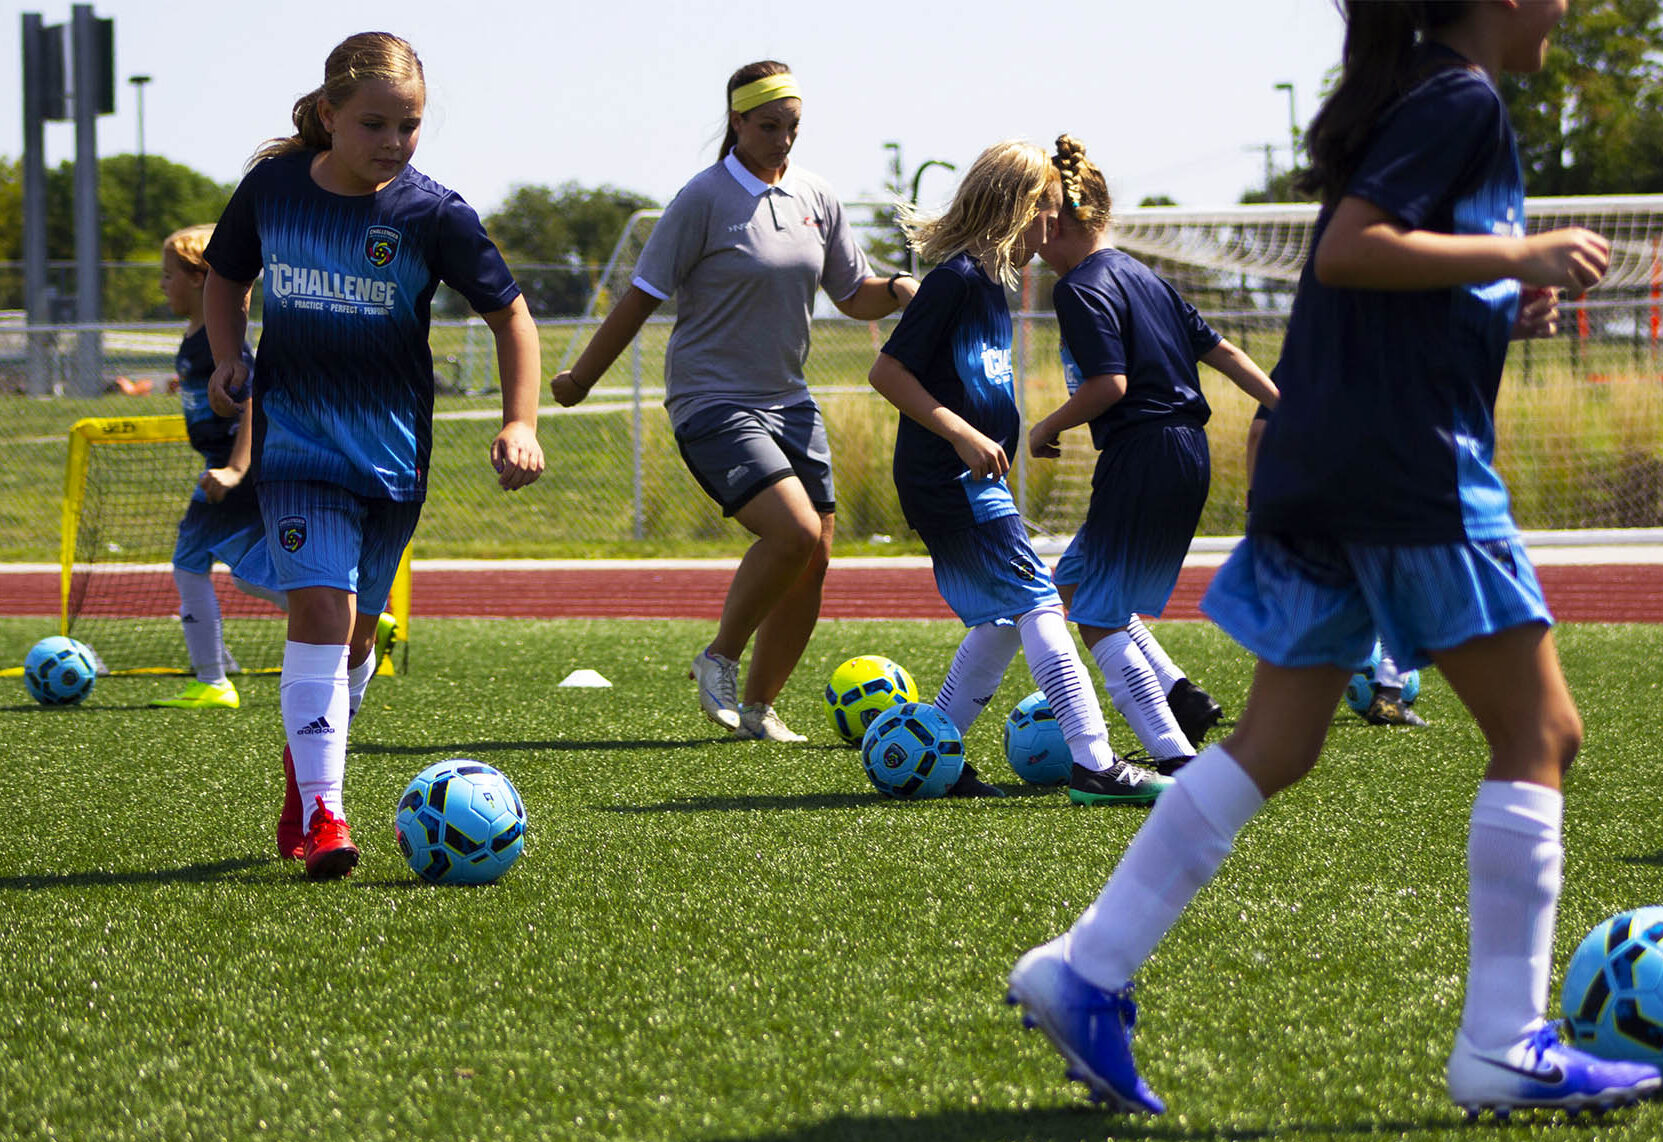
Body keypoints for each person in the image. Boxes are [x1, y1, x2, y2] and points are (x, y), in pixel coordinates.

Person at [1007, 0, 1663, 1116]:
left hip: (1329, 453)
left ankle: (1085, 967)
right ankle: (1504, 1043)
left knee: (1278, 740)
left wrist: (1498, 301)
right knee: (1540, 732)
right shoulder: (1459, 98)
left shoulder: (1409, 88)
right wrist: (1520, 248)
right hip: (1405, 469)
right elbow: (1355, 247)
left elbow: (1376, 287)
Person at [204, 31, 544, 880]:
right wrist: (226, 354)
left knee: (356, 638)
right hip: (297, 447)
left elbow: (511, 314)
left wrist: (520, 421)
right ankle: (326, 813)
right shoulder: (274, 188)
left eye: (410, 125)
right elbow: (223, 275)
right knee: (318, 611)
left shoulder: (433, 212)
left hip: (391, 456)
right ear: (328, 116)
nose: (393, 142)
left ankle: (302, 776)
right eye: (374, 124)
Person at [552, 60, 914, 744]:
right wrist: (581, 379)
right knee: (793, 532)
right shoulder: (703, 198)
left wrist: (895, 288)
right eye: (768, 125)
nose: (782, 139)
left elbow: (851, 292)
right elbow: (641, 298)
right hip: (712, 399)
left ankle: (758, 709)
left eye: (792, 127)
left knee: (816, 559)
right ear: (738, 122)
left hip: (790, 402)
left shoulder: (817, 196)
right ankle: (718, 657)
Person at [868, 141, 1170, 805]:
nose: (1052, 228)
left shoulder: (988, 285)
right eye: (1047, 212)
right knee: (1037, 599)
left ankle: (932, 750)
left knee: (1005, 619)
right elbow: (887, 371)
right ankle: (1095, 763)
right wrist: (964, 433)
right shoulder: (955, 281)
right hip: (946, 480)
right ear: (1018, 209)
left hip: (975, 482)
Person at [1029, 135, 1279, 772]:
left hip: (1142, 452)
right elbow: (1221, 351)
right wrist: (1281, 402)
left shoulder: (1079, 288)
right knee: (1078, 581)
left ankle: (1175, 755)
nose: (1026, 239)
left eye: (1028, 222)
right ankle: (1180, 695)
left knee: (1098, 618)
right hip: (1187, 450)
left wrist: (1045, 427)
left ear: (1052, 221)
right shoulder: (1147, 277)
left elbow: (1108, 385)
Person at [149, 224, 271, 710]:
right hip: (224, 466)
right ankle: (354, 618)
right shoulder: (194, 339)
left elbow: (253, 402)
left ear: (200, 278)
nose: (162, 285)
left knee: (188, 562)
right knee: (247, 575)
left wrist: (237, 469)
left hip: (232, 469)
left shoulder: (223, 342)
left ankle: (212, 680)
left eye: (168, 275)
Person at [1247, 404, 1426, 726]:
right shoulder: (1392, 360)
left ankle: (1286, 701)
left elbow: (1259, 433)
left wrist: (1255, 502)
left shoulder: (1299, 363)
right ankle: (1389, 694)